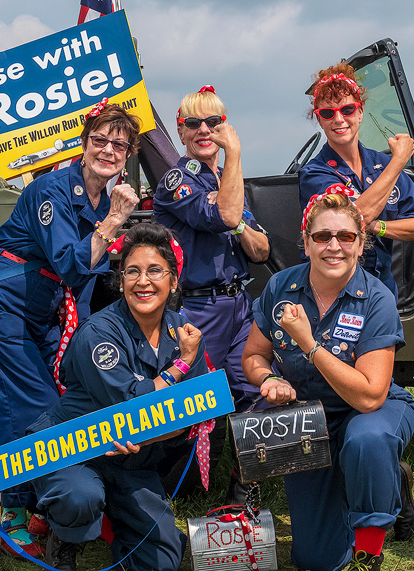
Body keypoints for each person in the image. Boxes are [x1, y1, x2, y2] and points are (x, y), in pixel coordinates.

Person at [0, 100, 141, 555]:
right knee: (27, 405)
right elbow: (73, 265)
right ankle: (15, 511)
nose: (108, 151)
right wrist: (115, 220)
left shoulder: (97, 198)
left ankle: (45, 499)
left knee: (62, 397)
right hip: (2, 300)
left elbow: (89, 284)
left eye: (119, 145)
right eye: (100, 141)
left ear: (128, 153)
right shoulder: (52, 190)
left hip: (43, 305)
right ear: (84, 142)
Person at [239, 190, 414, 571]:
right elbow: (253, 355)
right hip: (307, 419)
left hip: (367, 411)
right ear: (306, 243)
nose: (334, 246)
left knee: (368, 441)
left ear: (360, 243)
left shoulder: (376, 298)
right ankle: (390, 479)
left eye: (346, 237)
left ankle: (370, 550)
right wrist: (268, 379)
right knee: (316, 561)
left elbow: (369, 397)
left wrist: (309, 343)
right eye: (322, 237)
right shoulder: (281, 287)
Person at [29, 222, 207, 571]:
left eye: (155, 270)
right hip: (72, 449)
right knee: (80, 498)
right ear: (120, 280)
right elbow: (133, 408)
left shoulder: (184, 333)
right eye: (132, 272)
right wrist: (181, 366)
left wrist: (147, 432)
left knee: (164, 557)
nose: (143, 281)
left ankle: (121, 535)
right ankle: (65, 533)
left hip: (133, 458)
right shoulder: (99, 331)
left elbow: (191, 415)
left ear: (173, 281)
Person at [150, 85, 273, 504]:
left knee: (254, 391)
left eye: (214, 121)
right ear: (180, 133)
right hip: (197, 307)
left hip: (240, 304)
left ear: (225, 125)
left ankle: (245, 487)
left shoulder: (226, 180)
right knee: (189, 402)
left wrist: (238, 222)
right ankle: (168, 487)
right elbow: (227, 214)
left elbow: (261, 249)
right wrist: (235, 157)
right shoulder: (176, 179)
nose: (204, 129)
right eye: (193, 123)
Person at [297, 63, 414, 299]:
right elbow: (357, 217)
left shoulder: (382, 165)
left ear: (360, 112)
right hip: (336, 291)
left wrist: (379, 227)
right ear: (319, 119)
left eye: (347, 110)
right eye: (327, 113)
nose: (338, 119)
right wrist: (398, 162)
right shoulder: (314, 173)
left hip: (382, 287)